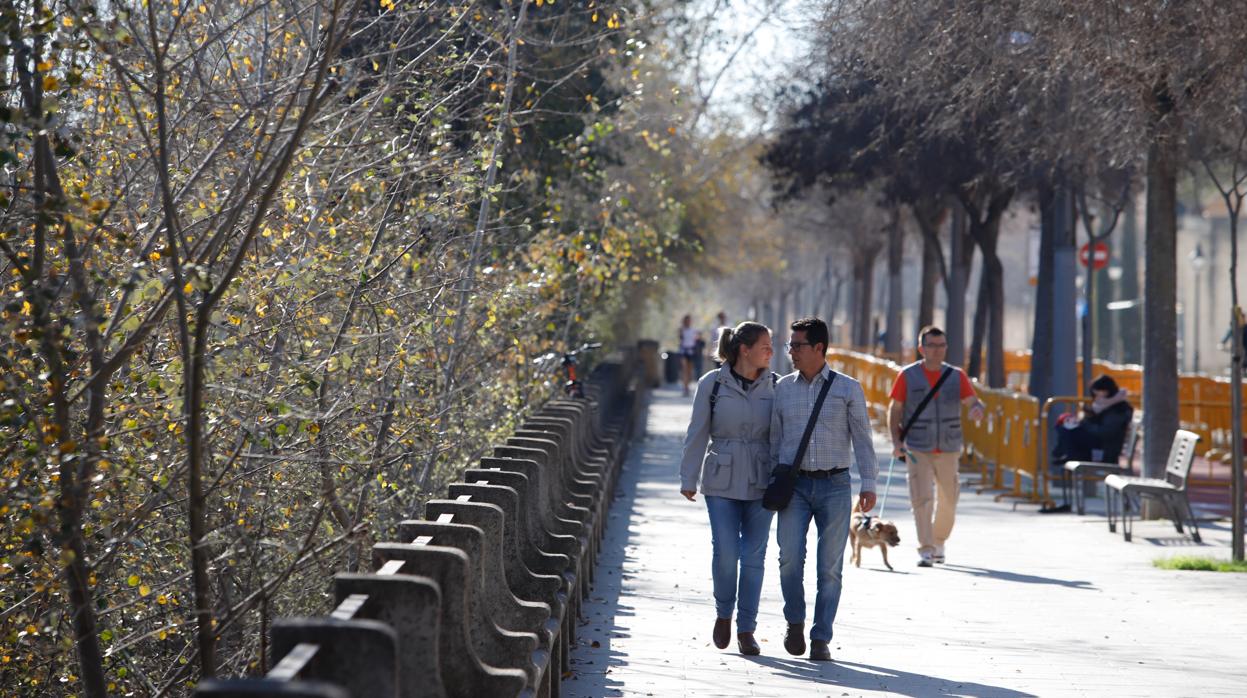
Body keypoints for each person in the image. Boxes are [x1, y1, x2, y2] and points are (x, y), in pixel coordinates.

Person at [770, 317, 877, 662]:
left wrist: (869, 483)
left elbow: (863, 438)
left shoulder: (848, 388)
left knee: (830, 567)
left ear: (819, 348)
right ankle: (795, 621)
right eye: (790, 346)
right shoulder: (783, 388)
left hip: (835, 485)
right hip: (795, 486)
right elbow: (775, 439)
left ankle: (821, 637)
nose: (791, 352)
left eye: (797, 346)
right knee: (788, 558)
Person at [679, 322, 777, 656]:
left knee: (753, 556)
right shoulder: (713, 383)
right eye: (765, 345)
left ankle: (746, 628)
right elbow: (697, 431)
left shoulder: (777, 385)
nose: (771, 351)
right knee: (726, 551)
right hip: (721, 476)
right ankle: (724, 613)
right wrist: (688, 477)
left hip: (762, 479)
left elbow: (784, 435)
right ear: (744, 349)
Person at [886, 326, 984, 568]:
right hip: (917, 446)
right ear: (921, 349)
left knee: (949, 498)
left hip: (948, 446)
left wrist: (977, 409)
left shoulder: (956, 376)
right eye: (932, 345)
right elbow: (895, 409)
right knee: (922, 498)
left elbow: (973, 400)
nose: (937, 350)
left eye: (941, 346)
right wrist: (896, 441)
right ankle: (926, 548)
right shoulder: (907, 376)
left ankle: (939, 541)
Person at [1052, 374, 1134, 465]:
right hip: (1099, 444)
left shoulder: (1119, 409)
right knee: (1065, 426)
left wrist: (1085, 425)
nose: (1097, 398)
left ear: (1108, 391)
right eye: (1095, 395)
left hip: (1105, 450)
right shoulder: (1104, 406)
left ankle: (1066, 454)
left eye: (1099, 394)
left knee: (1069, 432)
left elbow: (1105, 432)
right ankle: (1066, 453)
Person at [679, 314, 698, 396]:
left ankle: (688, 386)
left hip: (691, 351)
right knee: (684, 370)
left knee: (689, 371)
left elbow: (695, 341)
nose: (688, 322)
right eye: (686, 320)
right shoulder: (681, 330)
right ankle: (685, 388)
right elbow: (680, 340)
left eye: (689, 320)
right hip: (684, 351)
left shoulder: (693, 330)